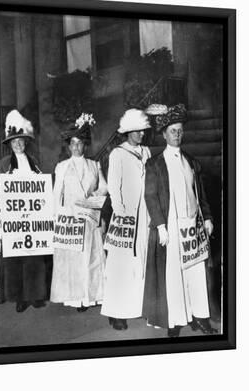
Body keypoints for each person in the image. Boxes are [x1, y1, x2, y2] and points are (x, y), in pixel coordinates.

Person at [143, 104, 217, 337]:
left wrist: (207, 217)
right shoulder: (155, 164)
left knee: (196, 273)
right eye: (172, 131)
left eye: (180, 130)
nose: (177, 135)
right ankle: (174, 321)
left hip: (192, 227)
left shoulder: (191, 161)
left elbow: (200, 193)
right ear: (164, 134)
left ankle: (201, 318)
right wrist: (160, 226)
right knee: (174, 275)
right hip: (172, 227)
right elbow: (151, 196)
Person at [50, 113, 108, 311]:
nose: (76, 147)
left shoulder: (94, 165)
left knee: (90, 259)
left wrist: (94, 195)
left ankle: (90, 296)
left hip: (90, 218)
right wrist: (57, 218)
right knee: (73, 261)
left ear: (85, 145)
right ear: (69, 146)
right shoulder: (62, 167)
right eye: (72, 143)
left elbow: (104, 187)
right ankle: (76, 299)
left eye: (79, 143)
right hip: (71, 219)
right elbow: (57, 194)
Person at [101, 109, 151, 330]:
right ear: (127, 131)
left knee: (140, 261)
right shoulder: (117, 154)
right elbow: (113, 187)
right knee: (120, 265)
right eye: (137, 131)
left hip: (145, 216)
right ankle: (115, 312)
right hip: (125, 217)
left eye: (143, 131)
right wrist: (121, 213)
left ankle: (135, 306)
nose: (141, 135)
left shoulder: (146, 151)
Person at [0, 109, 51, 313]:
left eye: (21, 140)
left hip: (33, 217)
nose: (18, 144)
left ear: (25, 142)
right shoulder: (4, 164)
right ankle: (20, 297)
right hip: (13, 218)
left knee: (34, 258)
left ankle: (36, 295)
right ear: (10, 144)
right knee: (16, 258)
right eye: (14, 141)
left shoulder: (34, 161)